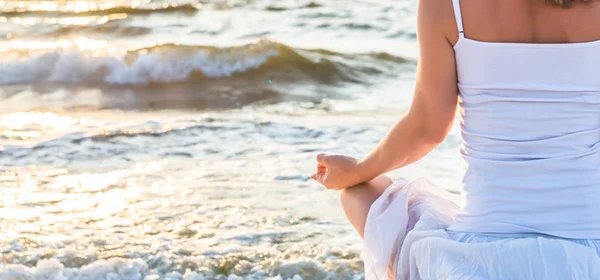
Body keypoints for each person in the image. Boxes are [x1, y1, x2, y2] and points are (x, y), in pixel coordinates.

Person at [311, 0, 600, 279]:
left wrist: (357, 170)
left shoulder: (447, 6)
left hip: (479, 257)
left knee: (359, 194)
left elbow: (426, 128)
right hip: (591, 247)